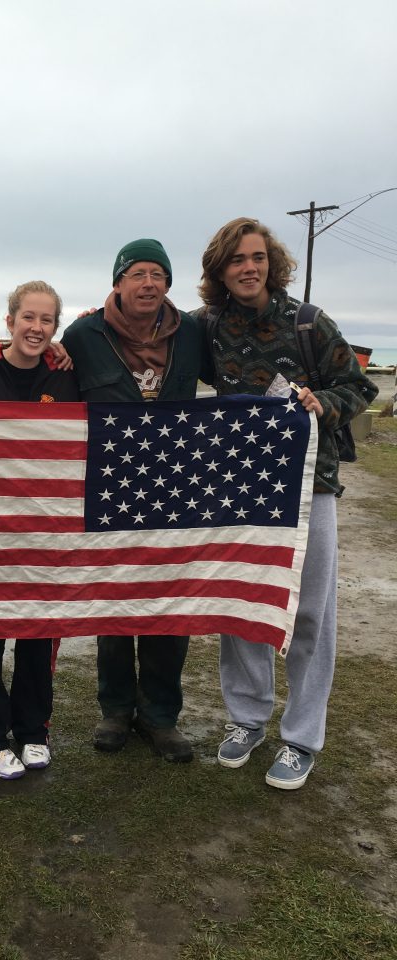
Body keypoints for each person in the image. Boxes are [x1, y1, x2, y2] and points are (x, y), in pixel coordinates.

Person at [198, 217, 378, 789]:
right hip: (241, 486)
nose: (248, 268)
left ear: (271, 262)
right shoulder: (208, 327)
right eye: (236, 260)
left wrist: (319, 402)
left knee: (310, 613)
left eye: (256, 257)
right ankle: (247, 719)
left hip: (310, 487)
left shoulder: (308, 322)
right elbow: (156, 345)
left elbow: (359, 387)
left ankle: (302, 737)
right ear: (220, 271)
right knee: (244, 603)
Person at [61, 239, 205, 762]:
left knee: (170, 602)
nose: (149, 283)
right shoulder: (82, 333)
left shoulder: (192, 330)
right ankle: (116, 709)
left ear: (168, 283)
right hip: (110, 486)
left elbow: (234, 379)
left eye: (158, 274)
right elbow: (53, 385)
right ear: (118, 282)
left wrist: (291, 401)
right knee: (116, 599)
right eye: (138, 273)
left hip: (176, 489)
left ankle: (161, 717)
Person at [0, 281, 80, 779]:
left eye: (47, 320)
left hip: (44, 531)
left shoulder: (66, 375)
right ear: (9, 321)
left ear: (56, 328)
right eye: (27, 317)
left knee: (39, 631)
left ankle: (34, 729)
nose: (36, 328)